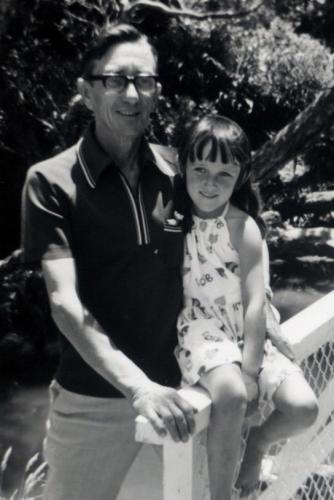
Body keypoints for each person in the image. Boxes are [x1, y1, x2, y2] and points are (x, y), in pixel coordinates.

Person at [20, 23, 196, 500]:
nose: (132, 94)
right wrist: (140, 388)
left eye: (145, 80)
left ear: (158, 90)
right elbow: (64, 303)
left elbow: (221, 256)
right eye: (116, 80)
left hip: (182, 390)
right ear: (86, 91)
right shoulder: (51, 181)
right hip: (92, 400)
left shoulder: (180, 170)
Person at [174, 115, 319, 500]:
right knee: (232, 394)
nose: (209, 183)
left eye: (224, 173)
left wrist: (252, 370)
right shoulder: (173, 222)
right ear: (183, 165)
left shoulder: (244, 227)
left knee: (304, 407)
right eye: (200, 168)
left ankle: (256, 445)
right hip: (203, 330)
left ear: (240, 177)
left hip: (250, 333)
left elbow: (256, 302)